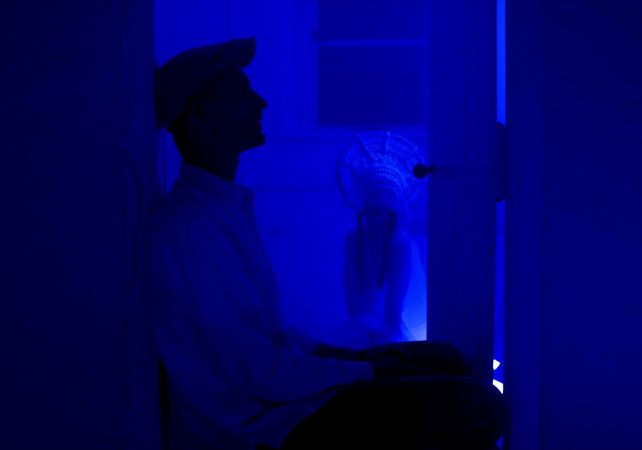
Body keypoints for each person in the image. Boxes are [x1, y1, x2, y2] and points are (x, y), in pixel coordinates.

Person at [132, 36, 505, 450]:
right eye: (241, 94)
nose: (260, 103)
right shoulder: (194, 226)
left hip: (279, 400)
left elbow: (272, 332)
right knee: (482, 407)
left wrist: (356, 358)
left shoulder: (222, 208)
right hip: (263, 423)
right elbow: (258, 371)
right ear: (201, 112)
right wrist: (367, 371)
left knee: (444, 358)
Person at [331, 131, 429, 349]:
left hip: (399, 324)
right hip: (366, 326)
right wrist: (364, 330)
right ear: (364, 209)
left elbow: (396, 298)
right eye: (373, 212)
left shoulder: (400, 242)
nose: (377, 220)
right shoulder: (353, 239)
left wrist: (388, 340)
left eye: (383, 213)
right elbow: (351, 291)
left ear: (392, 213)